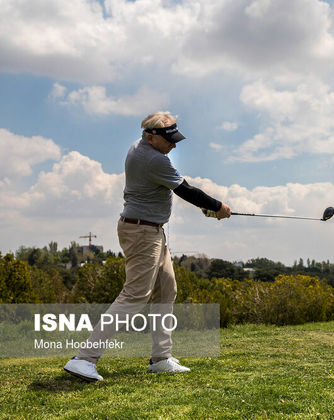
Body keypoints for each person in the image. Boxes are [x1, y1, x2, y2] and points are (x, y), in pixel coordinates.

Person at [64, 111, 230, 381]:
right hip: (142, 231)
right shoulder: (153, 159)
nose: (174, 145)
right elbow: (186, 190)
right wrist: (217, 207)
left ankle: (161, 358)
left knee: (166, 289)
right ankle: (84, 358)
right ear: (151, 138)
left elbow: (173, 188)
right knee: (135, 295)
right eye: (170, 141)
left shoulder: (142, 147)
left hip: (151, 230)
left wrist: (208, 208)